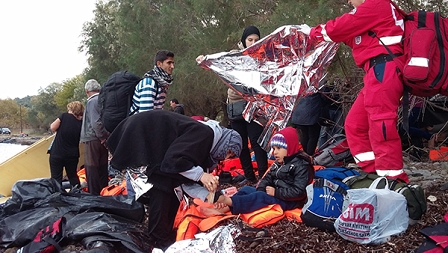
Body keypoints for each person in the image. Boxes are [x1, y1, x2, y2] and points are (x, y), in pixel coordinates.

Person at [301, 0, 409, 182]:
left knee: (380, 123)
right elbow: (352, 35)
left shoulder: (376, 4)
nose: (349, 1)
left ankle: (393, 179)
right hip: (376, 71)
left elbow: (339, 27)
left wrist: (312, 32)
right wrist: (332, 35)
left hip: (385, 69)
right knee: (355, 125)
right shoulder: (376, 12)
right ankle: (372, 171)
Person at [106, 110, 242, 250]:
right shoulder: (205, 134)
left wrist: (210, 196)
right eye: (229, 151)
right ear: (225, 141)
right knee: (163, 186)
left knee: (171, 186)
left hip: (155, 145)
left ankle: (164, 238)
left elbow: (184, 179)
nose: (226, 158)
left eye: (231, 156)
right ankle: (157, 241)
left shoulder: (206, 148)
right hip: (142, 133)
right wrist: (201, 175)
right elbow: (173, 162)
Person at [197, 26, 268, 183]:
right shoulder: (233, 56)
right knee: (240, 144)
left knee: (258, 142)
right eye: (250, 40)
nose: (253, 43)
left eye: (256, 40)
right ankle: (249, 177)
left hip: (254, 106)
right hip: (235, 106)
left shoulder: (262, 57)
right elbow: (216, 63)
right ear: (244, 40)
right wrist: (205, 59)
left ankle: (264, 177)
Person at [200, 127, 314, 216]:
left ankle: (226, 201)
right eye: (274, 149)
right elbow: (267, 177)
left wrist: (276, 193)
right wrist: (261, 188)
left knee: (260, 197)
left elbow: (300, 192)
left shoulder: (301, 165)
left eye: (279, 149)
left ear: (290, 148)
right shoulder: (279, 163)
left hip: (290, 201)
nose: (275, 152)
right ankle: (226, 207)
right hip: (274, 192)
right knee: (246, 189)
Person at [80, 79, 110, 195]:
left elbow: (95, 122)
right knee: (103, 168)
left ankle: (94, 197)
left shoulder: (92, 101)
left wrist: (101, 137)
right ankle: (104, 194)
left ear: (87, 91)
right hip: (102, 138)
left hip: (93, 139)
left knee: (91, 169)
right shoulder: (103, 100)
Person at [48, 101, 84, 188]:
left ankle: (58, 197)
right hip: (72, 154)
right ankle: (77, 194)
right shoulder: (82, 122)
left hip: (57, 153)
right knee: (72, 176)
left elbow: (53, 127)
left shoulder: (64, 116)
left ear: (71, 109)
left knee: (56, 178)